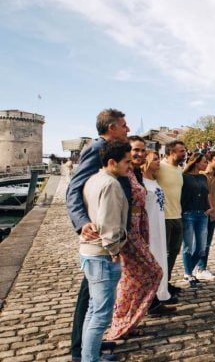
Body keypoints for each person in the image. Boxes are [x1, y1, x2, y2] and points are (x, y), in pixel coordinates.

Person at [66, 109, 130, 361]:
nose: (127, 129)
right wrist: (82, 222)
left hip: (103, 238)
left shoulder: (112, 160)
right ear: (111, 128)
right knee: (93, 301)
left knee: (95, 302)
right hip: (100, 241)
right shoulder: (98, 150)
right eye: (123, 125)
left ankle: (88, 349)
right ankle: (80, 351)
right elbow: (73, 190)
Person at [105, 136, 166, 341]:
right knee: (151, 272)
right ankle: (121, 323)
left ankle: (126, 323)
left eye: (142, 150)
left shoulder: (135, 173)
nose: (139, 154)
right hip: (127, 230)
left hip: (139, 227)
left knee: (133, 277)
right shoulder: (122, 174)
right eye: (135, 150)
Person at [79, 140, 130, 362]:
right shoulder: (110, 184)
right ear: (112, 162)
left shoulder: (93, 180)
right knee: (101, 313)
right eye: (126, 162)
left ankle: (89, 354)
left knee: (93, 309)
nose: (130, 166)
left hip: (90, 253)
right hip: (101, 254)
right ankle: (90, 359)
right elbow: (109, 223)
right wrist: (114, 250)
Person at [142, 150, 174, 304]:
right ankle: (152, 296)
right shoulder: (141, 181)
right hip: (150, 225)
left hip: (160, 222)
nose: (158, 162)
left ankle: (162, 291)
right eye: (155, 159)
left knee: (161, 255)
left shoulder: (154, 180)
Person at [155, 140, 185, 296]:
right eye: (181, 151)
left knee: (173, 252)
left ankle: (166, 282)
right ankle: (159, 287)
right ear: (171, 152)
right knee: (162, 254)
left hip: (177, 216)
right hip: (163, 218)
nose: (184, 153)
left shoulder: (179, 169)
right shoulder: (159, 167)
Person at [180, 153, 210, 288]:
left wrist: (210, 207)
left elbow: (206, 194)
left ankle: (188, 271)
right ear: (196, 162)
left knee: (201, 248)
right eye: (204, 161)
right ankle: (188, 273)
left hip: (202, 215)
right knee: (188, 247)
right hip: (188, 214)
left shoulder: (204, 177)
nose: (206, 164)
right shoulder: (184, 177)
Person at [195, 151, 215, 281]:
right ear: (209, 161)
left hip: (213, 215)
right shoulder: (200, 175)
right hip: (200, 214)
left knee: (207, 243)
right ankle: (197, 267)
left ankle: (202, 267)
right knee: (197, 242)